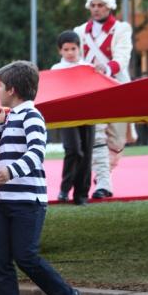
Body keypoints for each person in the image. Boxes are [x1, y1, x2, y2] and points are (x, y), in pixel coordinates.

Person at [0, 60, 80, 295]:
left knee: (25, 256)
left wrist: (10, 171)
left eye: (0, 86)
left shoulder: (32, 117)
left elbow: (37, 153)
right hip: (3, 200)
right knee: (1, 261)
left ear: (11, 89)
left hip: (28, 201)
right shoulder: (9, 117)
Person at [74, 0, 133, 199]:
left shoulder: (121, 29)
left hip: (117, 87)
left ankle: (104, 173)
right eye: (93, 5)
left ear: (110, 7)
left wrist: (106, 68)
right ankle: (104, 183)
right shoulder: (80, 31)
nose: (96, 9)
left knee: (116, 141)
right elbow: (76, 59)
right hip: (91, 91)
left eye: (101, 5)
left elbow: (123, 56)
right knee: (97, 135)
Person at [51, 31, 95, 206]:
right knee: (74, 150)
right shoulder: (56, 69)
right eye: (66, 49)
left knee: (87, 155)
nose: (70, 52)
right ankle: (65, 188)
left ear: (80, 49)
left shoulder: (88, 68)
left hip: (88, 115)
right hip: (67, 116)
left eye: (73, 49)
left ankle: (81, 195)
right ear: (60, 51)